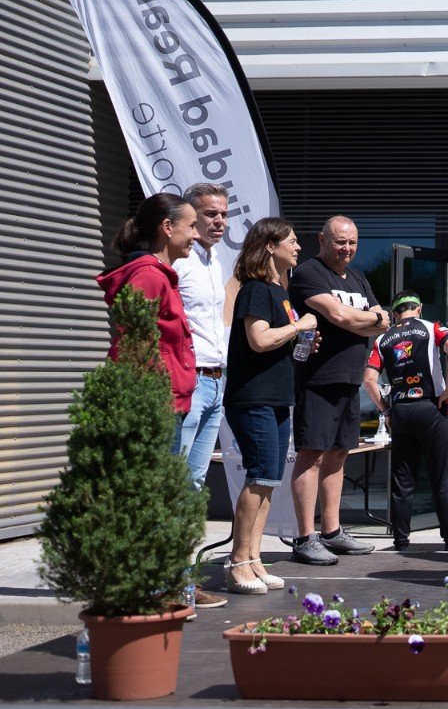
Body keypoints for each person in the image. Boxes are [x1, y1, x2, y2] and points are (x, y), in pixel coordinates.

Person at [221, 218, 318, 595]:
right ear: (269, 246)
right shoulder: (255, 290)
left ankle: (253, 559)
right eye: (291, 241)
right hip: (253, 398)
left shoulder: (280, 292)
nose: (298, 247)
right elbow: (259, 340)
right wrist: (298, 327)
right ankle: (237, 562)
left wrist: (302, 340)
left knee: (269, 482)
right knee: (259, 477)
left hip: (276, 398)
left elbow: (277, 343)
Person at [286, 215, 389, 565]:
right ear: (322, 239)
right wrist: (364, 319)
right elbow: (342, 317)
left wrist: (365, 319)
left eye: (352, 242)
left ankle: (332, 532)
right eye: (340, 241)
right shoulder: (309, 273)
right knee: (312, 454)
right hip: (317, 378)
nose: (347, 248)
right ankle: (305, 538)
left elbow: (381, 321)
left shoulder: (358, 277)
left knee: (339, 454)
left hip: (350, 379)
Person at [172, 182, 234, 609]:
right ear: (191, 218)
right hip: (188, 380)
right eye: (211, 214)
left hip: (216, 379)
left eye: (223, 214)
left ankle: (183, 584)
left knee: (193, 484)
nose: (219, 222)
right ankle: (163, 586)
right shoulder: (179, 262)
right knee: (175, 481)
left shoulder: (215, 261)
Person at [363, 293, 448, 552]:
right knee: (442, 478)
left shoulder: (382, 339)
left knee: (403, 481)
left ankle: (401, 542)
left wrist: (385, 410)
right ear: (419, 309)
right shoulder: (432, 327)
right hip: (432, 407)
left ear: (394, 313)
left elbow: (369, 380)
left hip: (401, 411)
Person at [97, 193, 200, 416]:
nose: (196, 234)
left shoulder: (159, 275)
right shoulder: (149, 276)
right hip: (156, 405)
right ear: (167, 227)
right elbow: (136, 343)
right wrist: (157, 397)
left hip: (166, 402)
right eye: (192, 226)